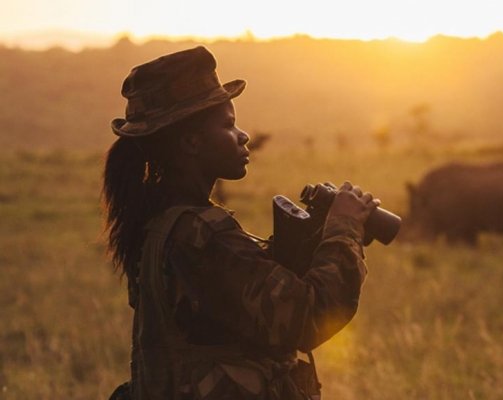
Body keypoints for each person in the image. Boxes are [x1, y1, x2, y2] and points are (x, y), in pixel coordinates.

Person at [103, 46, 379, 400]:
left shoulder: (163, 224)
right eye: (228, 125)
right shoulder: (201, 236)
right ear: (191, 141)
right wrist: (344, 229)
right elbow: (309, 318)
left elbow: (230, 320)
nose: (243, 135)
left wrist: (306, 241)